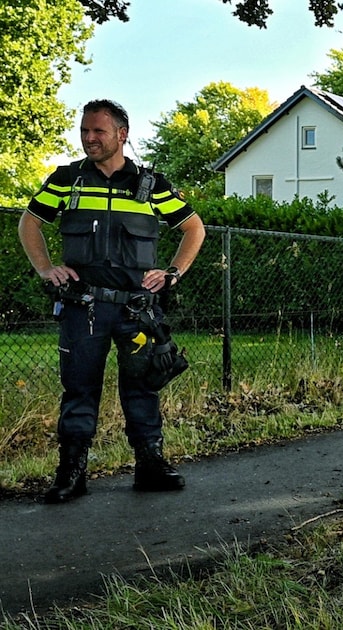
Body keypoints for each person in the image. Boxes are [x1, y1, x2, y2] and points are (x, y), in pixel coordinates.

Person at [19, 99, 206, 504]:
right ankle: (71, 473)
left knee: (142, 388)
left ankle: (150, 465)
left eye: (98, 131)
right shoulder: (67, 180)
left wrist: (173, 272)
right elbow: (30, 222)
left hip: (137, 310)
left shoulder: (151, 184)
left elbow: (194, 228)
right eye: (84, 130)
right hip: (83, 307)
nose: (89, 138)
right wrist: (45, 268)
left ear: (122, 134)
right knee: (79, 389)